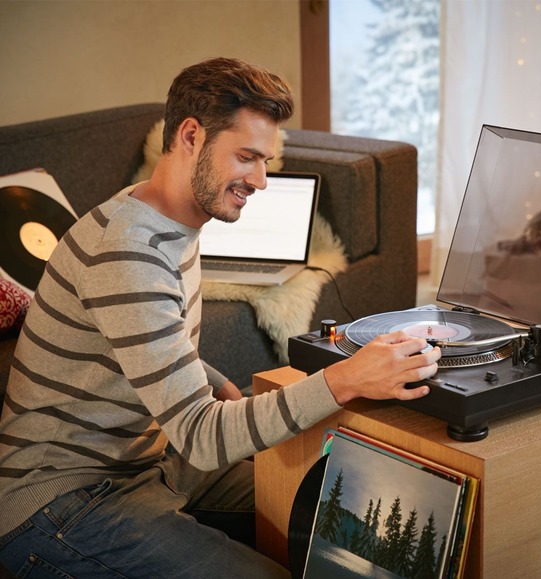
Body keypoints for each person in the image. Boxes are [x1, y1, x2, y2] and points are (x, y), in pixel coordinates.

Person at [0, 57, 440, 577]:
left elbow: (138, 338)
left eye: (265, 160)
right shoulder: (127, 252)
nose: (261, 179)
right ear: (190, 135)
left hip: (151, 467)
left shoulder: (168, 218)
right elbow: (203, 437)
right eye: (247, 157)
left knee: (359, 531)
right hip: (63, 505)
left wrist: (211, 380)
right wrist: (344, 379)